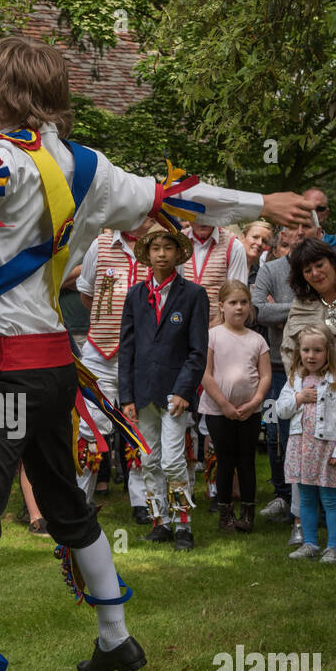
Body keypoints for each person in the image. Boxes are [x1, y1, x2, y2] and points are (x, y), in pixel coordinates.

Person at [0, 35, 311, 671]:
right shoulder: (85, 166)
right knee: (66, 506)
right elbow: (173, 195)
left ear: (1, 95)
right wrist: (261, 200)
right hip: (53, 370)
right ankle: (115, 638)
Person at [119, 226, 207, 551]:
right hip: (142, 392)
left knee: (172, 460)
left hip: (175, 394)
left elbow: (198, 350)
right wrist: (125, 396)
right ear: (146, 254)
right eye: (155, 248)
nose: (161, 253)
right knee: (149, 460)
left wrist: (185, 390)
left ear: (178, 253)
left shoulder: (194, 295)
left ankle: (184, 523)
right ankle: (160, 521)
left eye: (168, 247)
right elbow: (126, 349)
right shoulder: (135, 295)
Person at [282, 238, 336, 547]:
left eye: (320, 264)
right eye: (307, 269)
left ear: (333, 262)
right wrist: (304, 387)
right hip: (316, 400)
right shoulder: (302, 305)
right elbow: (290, 351)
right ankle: (300, 524)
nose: (316, 273)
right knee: (306, 466)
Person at [74, 218, 155, 521]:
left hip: (143, 356)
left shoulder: (158, 249)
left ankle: (142, 503)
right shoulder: (100, 245)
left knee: (139, 426)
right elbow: (87, 295)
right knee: (91, 425)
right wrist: (109, 326)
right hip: (100, 352)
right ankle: (80, 500)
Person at [253, 211, 324, 530]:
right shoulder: (270, 269)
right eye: (292, 228)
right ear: (282, 235)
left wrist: (280, 313)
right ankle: (283, 495)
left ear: (318, 231)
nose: (298, 232)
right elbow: (256, 310)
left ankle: (322, 501)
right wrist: (302, 308)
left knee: (319, 433)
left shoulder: (325, 269)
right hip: (277, 367)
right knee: (274, 430)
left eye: (305, 226)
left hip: (321, 369)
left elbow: (331, 310)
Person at [277, 324, 336, 563]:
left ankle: (334, 547)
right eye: (306, 350)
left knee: (331, 499)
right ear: (299, 351)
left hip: (326, 449)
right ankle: (309, 543)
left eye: (317, 350)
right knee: (307, 498)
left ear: (328, 352)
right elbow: (280, 410)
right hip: (301, 447)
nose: (311, 356)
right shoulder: (294, 381)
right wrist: (298, 399)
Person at [199, 280, 271, 532]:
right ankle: (225, 513)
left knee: (246, 460)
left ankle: (248, 514)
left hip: (249, 411)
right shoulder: (212, 336)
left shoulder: (258, 340)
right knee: (225, 459)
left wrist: (254, 402)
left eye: (244, 302)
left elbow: (265, 376)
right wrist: (224, 404)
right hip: (219, 411)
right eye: (233, 303)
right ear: (222, 306)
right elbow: (205, 374)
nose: (239, 308)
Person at [180, 219, 249, 325]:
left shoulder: (234, 246)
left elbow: (236, 295)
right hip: (179, 327)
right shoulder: (177, 241)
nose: (202, 219)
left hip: (218, 329)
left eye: (209, 212)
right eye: (197, 214)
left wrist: (213, 329)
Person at [239, 220, 272, 284]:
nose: (260, 243)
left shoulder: (262, 276)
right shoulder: (226, 264)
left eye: (264, 241)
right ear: (242, 237)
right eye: (255, 237)